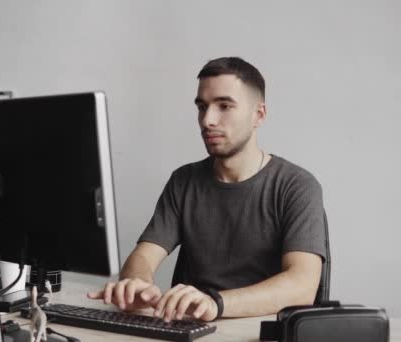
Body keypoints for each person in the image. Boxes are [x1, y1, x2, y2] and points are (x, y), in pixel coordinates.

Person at [88, 57, 326, 322]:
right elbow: (144, 255)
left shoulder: (297, 186)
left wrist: (216, 304)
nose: (207, 120)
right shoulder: (184, 180)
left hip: (257, 333)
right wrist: (137, 285)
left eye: (224, 106)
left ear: (258, 115)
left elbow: (303, 285)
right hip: (191, 329)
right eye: (202, 107)